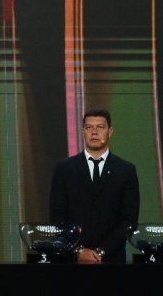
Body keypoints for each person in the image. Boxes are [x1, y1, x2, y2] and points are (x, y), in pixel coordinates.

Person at [49, 108, 139, 263]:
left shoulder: (126, 170)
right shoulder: (64, 169)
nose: (94, 132)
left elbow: (128, 221)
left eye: (100, 127)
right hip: (71, 260)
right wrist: (78, 251)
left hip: (112, 260)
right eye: (89, 127)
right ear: (83, 131)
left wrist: (101, 252)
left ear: (110, 132)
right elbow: (57, 217)